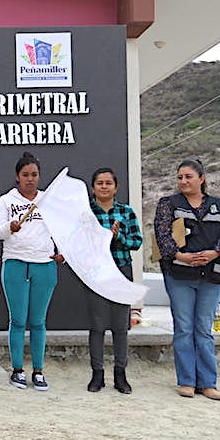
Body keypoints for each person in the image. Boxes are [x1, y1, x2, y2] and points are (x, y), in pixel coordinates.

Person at [0, 152, 64, 391]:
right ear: (17, 176)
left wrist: (62, 252)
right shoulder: (6, 201)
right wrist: (10, 227)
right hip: (15, 263)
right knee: (18, 320)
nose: (30, 179)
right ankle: (17, 370)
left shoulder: (48, 200)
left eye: (34, 175)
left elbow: (62, 231)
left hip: (44, 264)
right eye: (25, 175)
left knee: (39, 321)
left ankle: (39, 371)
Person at [154, 159, 220, 400]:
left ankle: (208, 383)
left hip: (212, 275)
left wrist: (215, 252)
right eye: (180, 177)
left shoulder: (218, 205)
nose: (183, 181)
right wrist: (181, 255)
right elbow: (162, 235)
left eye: (188, 177)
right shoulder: (168, 204)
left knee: (203, 329)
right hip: (180, 275)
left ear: (201, 178)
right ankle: (186, 381)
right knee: (184, 327)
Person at [85, 168, 142, 394]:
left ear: (116, 187)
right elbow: (80, 240)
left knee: (121, 326)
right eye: (100, 182)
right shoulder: (86, 212)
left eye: (109, 183)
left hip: (120, 270)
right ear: (93, 187)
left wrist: (117, 236)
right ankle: (97, 374)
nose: (104, 186)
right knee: (97, 325)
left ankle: (121, 374)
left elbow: (136, 241)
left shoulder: (125, 212)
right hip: (96, 273)